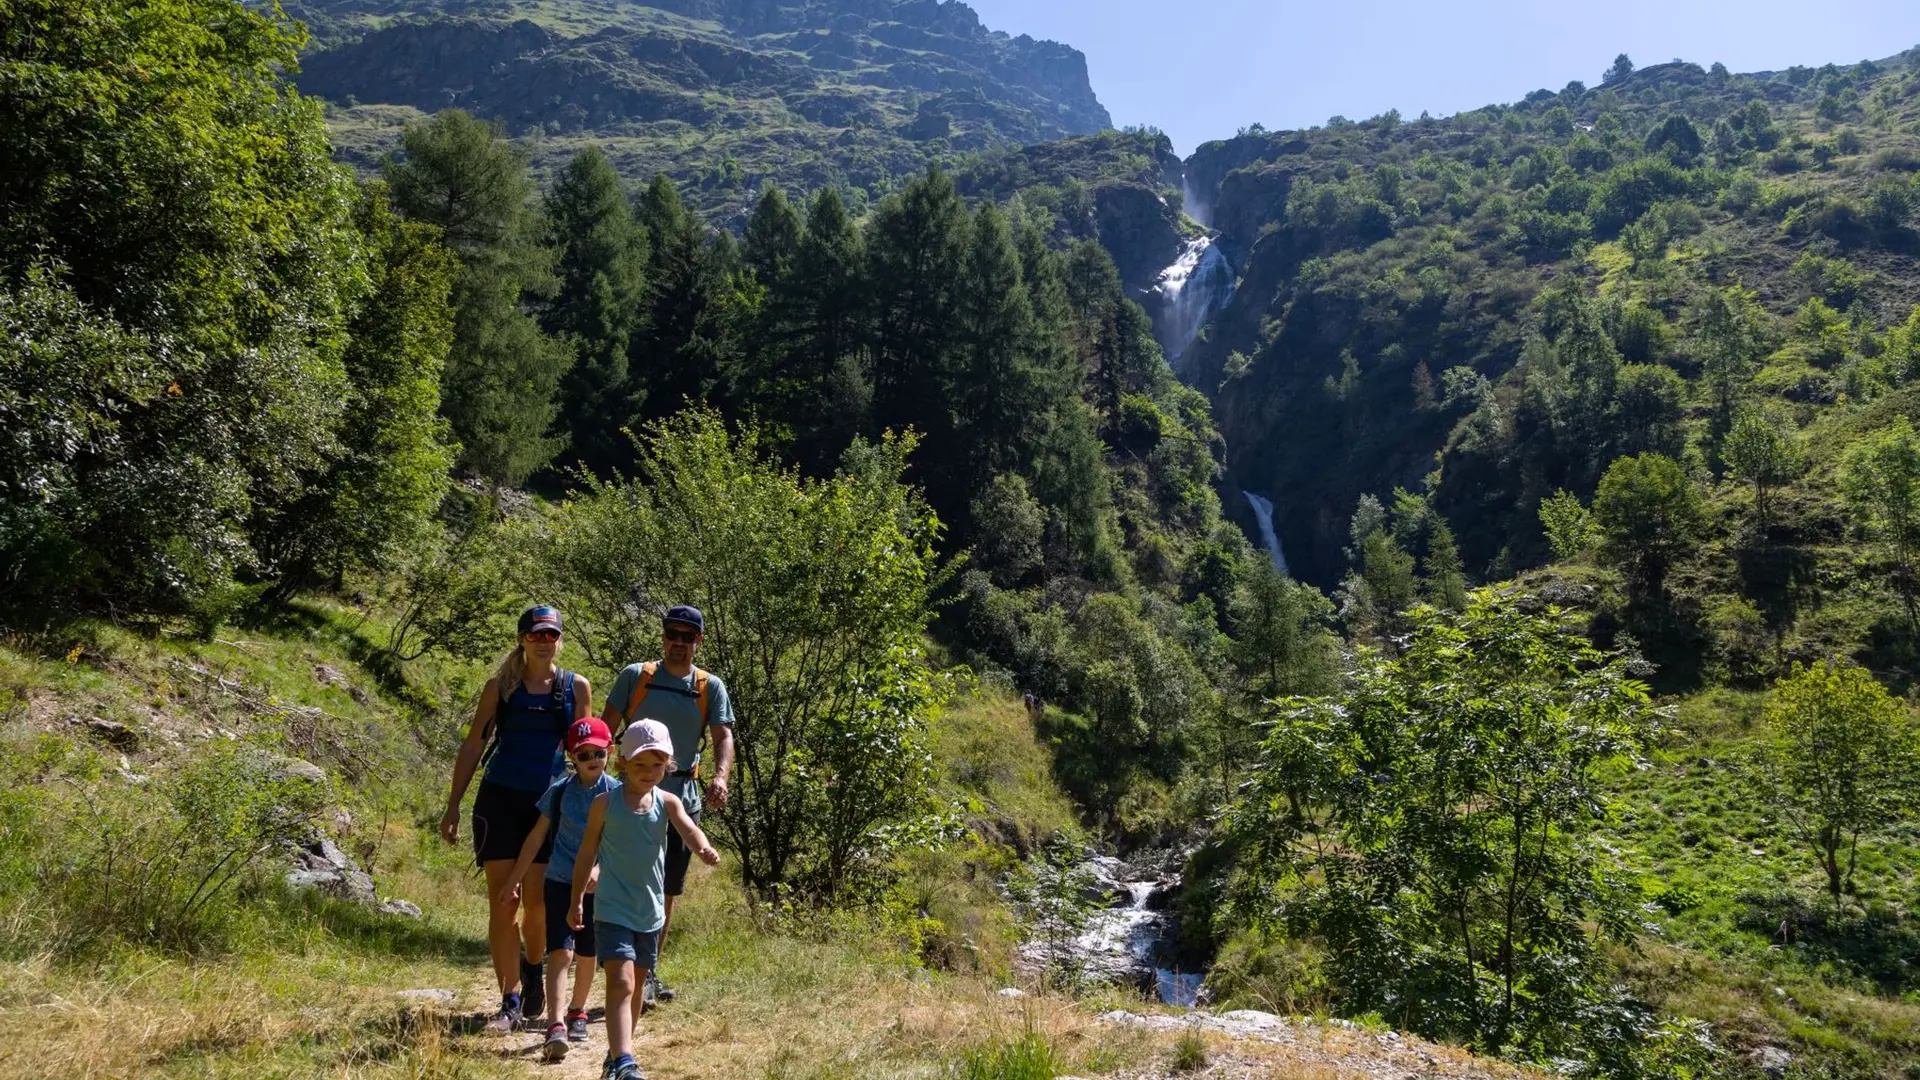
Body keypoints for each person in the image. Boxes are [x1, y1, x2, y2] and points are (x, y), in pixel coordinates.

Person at [440, 605, 592, 1033]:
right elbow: (474, 745)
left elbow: (587, 751)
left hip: (549, 806)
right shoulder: (500, 688)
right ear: (522, 639)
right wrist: (453, 805)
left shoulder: (575, 687)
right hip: (499, 801)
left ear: (560, 640)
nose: (544, 641)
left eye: (552, 635)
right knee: (503, 901)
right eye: (537, 635)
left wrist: (591, 812)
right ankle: (508, 1000)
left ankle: (531, 967)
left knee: (538, 904)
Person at [570, 720, 720, 1080]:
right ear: (622, 763)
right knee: (620, 982)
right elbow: (587, 852)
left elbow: (688, 826)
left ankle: (618, 1054)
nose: (649, 773)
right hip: (612, 908)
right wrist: (576, 899)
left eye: (657, 765)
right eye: (640, 765)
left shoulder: (667, 802)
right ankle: (625, 1063)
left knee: (635, 984)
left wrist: (703, 848)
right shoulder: (605, 804)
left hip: (650, 911)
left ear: (667, 765)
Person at [600, 604, 733, 1003]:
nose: (678, 643)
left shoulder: (710, 687)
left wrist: (720, 776)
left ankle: (647, 974)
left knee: (665, 889)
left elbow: (723, 736)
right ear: (663, 636)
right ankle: (611, 963)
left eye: (686, 637)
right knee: (618, 879)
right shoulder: (636, 677)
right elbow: (604, 728)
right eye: (671, 634)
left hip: (680, 799)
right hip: (627, 797)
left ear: (698, 641)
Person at [496, 716, 617, 1061]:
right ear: (572, 758)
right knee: (560, 952)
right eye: (584, 755)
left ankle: (578, 1011)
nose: (592, 759)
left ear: (609, 751)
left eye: (599, 752)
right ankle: (556, 1023)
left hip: (599, 887)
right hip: (560, 881)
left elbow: (620, 842)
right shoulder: (560, 791)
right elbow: (536, 837)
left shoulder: (617, 793)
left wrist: (601, 869)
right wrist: (515, 877)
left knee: (588, 953)